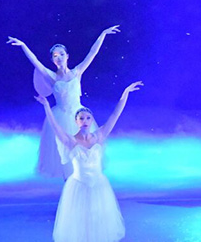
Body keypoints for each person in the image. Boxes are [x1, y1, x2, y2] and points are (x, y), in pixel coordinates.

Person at [35, 80, 142, 242]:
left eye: (87, 118)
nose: (84, 121)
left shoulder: (99, 135)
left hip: (99, 187)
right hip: (79, 188)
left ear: (91, 120)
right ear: (76, 121)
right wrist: (47, 106)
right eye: (81, 118)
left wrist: (125, 94)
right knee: (83, 231)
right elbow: (55, 126)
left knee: (96, 229)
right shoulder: (70, 141)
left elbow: (115, 115)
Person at [8, 26, 120, 177]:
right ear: (52, 60)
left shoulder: (77, 72)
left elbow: (92, 53)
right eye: (55, 55)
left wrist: (103, 34)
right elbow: (35, 61)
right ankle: (69, 183)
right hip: (60, 117)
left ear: (67, 56)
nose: (59, 57)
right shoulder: (51, 77)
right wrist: (23, 45)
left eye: (61, 54)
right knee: (66, 155)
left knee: (84, 152)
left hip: (79, 115)